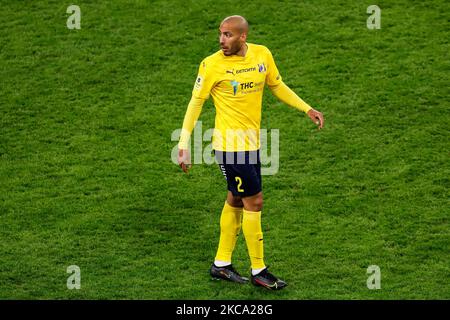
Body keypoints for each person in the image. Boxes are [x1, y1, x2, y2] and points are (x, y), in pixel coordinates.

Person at [177, 15, 324, 290]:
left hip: (252, 144)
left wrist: (307, 108)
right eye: (220, 34)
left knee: (235, 198)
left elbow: (276, 85)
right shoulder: (211, 65)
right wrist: (184, 144)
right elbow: (195, 103)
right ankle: (259, 270)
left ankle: (221, 264)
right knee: (254, 202)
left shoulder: (261, 55)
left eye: (228, 35)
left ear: (242, 36)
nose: (222, 40)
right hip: (230, 147)